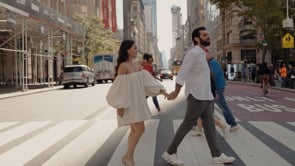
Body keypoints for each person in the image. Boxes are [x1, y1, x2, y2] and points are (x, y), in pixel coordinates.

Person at [161, 27, 235, 165]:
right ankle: (170, 152)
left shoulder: (202, 54)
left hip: (206, 95)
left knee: (209, 125)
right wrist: (176, 92)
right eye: (205, 35)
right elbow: (181, 74)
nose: (208, 37)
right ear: (196, 38)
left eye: (208, 34)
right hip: (197, 95)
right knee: (188, 124)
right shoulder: (193, 53)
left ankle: (216, 155)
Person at [106, 40, 168, 166]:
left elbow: (147, 82)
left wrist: (162, 91)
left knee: (135, 130)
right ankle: (128, 157)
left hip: (138, 102)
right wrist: (119, 106)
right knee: (140, 129)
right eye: (134, 48)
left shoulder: (138, 66)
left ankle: (127, 156)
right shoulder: (123, 66)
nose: (136, 50)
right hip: (128, 104)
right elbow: (119, 87)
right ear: (127, 50)